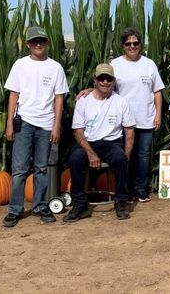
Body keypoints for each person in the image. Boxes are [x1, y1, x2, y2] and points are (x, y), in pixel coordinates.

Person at [3, 26, 68, 228]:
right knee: (20, 169)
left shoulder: (55, 67)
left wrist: (56, 125)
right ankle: (15, 209)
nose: (38, 44)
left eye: (42, 40)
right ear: (29, 44)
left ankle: (40, 205)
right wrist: (9, 123)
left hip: (46, 124)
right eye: (34, 41)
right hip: (24, 122)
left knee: (41, 168)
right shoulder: (20, 65)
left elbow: (59, 98)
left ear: (47, 42)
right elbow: (13, 94)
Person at [65, 64, 136, 222]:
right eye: (101, 78)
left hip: (112, 143)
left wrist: (127, 155)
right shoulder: (83, 101)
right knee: (75, 159)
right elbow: (78, 131)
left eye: (108, 79)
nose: (105, 82)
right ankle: (79, 205)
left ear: (113, 81)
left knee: (120, 159)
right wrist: (91, 153)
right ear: (95, 80)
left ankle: (121, 202)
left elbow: (129, 131)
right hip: (87, 142)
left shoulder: (121, 102)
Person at [111, 28, 164, 202]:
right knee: (125, 155)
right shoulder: (115, 65)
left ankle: (141, 189)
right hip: (122, 121)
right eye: (128, 44)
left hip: (146, 118)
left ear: (140, 44)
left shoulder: (149, 64)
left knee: (142, 156)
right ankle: (124, 190)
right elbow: (103, 87)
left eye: (136, 43)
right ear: (123, 45)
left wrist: (158, 115)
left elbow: (157, 92)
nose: (132, 46)